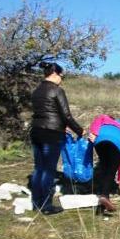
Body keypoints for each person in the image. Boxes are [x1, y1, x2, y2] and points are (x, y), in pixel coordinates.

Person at [30, 62, 84, 214]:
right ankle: (46, 206)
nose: (61, 78)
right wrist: (80, 130)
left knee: (38, 168)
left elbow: (46, 112)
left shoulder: (37, 91)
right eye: (61, 75)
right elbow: (66, 115)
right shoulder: (57, 91)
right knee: (48, 170)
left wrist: (61, 124)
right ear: (54, 73)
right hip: (52, 133)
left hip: (36, 131)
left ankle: (36, 203)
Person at [89, 114, 120, 213]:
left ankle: (101, 193)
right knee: (111, 171)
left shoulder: (104, 118)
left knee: (104, 165)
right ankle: (105, 196)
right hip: (116, 143)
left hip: (100, 141)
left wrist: (93, 132)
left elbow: (98, 119)